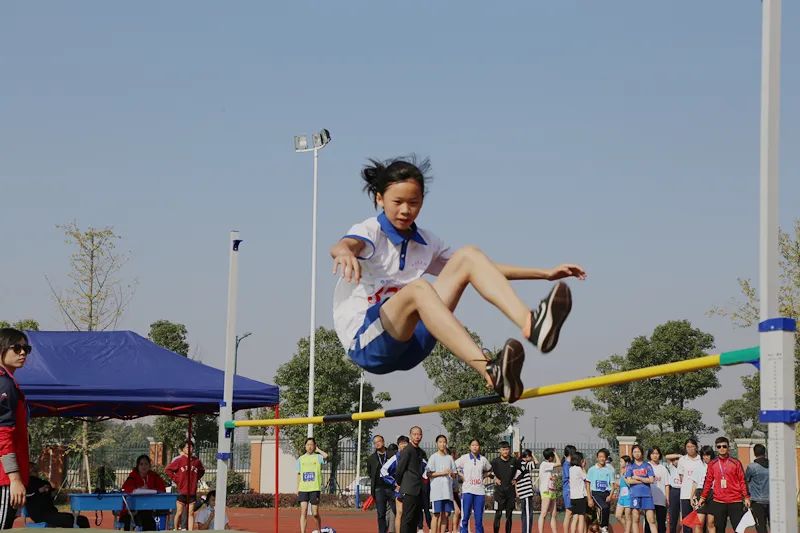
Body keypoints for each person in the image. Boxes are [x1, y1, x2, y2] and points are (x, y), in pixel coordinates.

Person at [331, 156, 585, 403]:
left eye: (414, 202)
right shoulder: (370, 230)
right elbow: (346, 244)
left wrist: (545, 274)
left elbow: (484, 270)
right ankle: (489, 371)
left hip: (413, 345)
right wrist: (343, 252)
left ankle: (532, 324)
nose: (406, 210)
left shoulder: (427, 242)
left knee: (469, 256)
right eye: (397, 202)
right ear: (380, 198)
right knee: (419, 289)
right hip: (368, 342)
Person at [0, 328, 31, 530]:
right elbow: (2, 434)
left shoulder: (9, 382)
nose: (23, 353)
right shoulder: (4, 383)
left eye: (26, 348)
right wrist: (14, 478)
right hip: (3, 477)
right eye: (17, 347)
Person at [697, 437, 750, 532]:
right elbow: (708, 482)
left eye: (724, 446)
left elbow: (742, 480)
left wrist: (746, 497)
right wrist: (702, 497)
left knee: (739, 529)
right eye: (719, 446)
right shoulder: (712, 464)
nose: (722, 448)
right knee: (719, 529)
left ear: (728, 447)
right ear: (716, 448)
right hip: (719, 502)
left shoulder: (736, 463)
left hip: (735, 501)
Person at [25, 463, 89, 528]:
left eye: (35, 468)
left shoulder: (43, 482)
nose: (35, 469)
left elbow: (51, 496)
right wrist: (39, 491)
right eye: (32, 467)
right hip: (40, 515)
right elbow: (26, 495)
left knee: (82, 519)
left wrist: (54, 491)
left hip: (52, 513)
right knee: (70, 521)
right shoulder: (26, 483)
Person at [166, 440, 206, 531]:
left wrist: (196, 478)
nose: (190, 449)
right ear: (183, 449)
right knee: (179, 512)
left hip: (192, 491)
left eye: (191, 447)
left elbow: (202, 471)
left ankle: (190, 531)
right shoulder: (179, 460)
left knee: (191, 513)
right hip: (182, 490)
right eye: (188, 447)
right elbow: (168, 470)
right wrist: (177, 479)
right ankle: (175, 529)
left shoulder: (197, 461)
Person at [120, 454, 167, 531]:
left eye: (146, 464)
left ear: (149, 466)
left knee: (149, 521)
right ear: (137, 466)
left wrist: (150, 490)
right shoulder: (132, 477)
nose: (143, 466)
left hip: (148, 508)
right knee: (128, 521)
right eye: (141, 464)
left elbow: (162, 490)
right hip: (132, 508)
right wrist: (139, 489)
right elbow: (126, 489)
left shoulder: (154, 476)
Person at [456, 439, 492, 533]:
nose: (475, 447)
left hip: (479, 492)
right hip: (467, 491)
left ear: (479, 447)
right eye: (472, 445)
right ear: (469, 447)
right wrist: (461, 475)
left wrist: (485, 475)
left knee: (479, 519)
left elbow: (490, 469)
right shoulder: (464, 458)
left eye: (476, 445)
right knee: (465, 518)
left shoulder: (483, 459)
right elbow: (453, 466)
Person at [394, 426, 425, 533]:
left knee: (415, 519)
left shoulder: (420, 452)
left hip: (418, 490)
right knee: (407, 519)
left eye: (419, 434)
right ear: (410, 435)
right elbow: (399, 470)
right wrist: (399, 483)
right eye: (415, 434)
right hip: (409, 489)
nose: (417, 437)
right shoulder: (407, 451)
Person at [295, 437, 328, 533]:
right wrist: (298, 488)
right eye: (308, 444)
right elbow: (298, 474)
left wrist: (318, 450)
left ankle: (319, 530)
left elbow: (326, 456)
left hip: (314, 488)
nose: (309, 446)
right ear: (305, 446)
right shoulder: (300, 459)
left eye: (311, 444)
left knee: (315, 513)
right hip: (303, 489)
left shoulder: (318, 457)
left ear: (314, 446)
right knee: (303, 511)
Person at [625, 444, 659, 533]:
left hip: (647, 495)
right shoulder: (630, 466)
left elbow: (651, 480)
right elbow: (629, 481)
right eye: (635, 452)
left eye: (638, 451)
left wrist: (638, 478)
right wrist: (644, 480)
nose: (637, 454)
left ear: (642, 453)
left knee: (651, 519)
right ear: (632, 453)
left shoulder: (647, 465)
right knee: (635, 519)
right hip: (635, 495)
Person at [427, 435, 457, 533]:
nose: (442, 444)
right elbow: (429, 474)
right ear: (437, 443)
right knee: (436, 515)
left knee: (445, 515)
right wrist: (442, 473)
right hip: (437, 492)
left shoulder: (449, 458)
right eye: (440, 442)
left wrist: (451, 474)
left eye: (444, 442)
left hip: (447, 492)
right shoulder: (433, 457)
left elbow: (454, 474)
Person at [367, 435, 396, 533]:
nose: (377, 444)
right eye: (375, 443)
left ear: (383, 442)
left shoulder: (392, 455)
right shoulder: (371, 458)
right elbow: (370, 473)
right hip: (379, 489)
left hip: (392, 488)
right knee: (381, 514)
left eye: (379, 441)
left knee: (396, 511)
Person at [490, 441, 520, 533]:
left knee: (509, 515)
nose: (505, 451)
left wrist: (516, 479)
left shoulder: (514, 461)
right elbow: (487, 472)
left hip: (510, 493)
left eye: (507, 449)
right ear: (500, 450)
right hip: (499, 493)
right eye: (503, 449)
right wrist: (494, 478)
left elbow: (523, 470)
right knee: (498, 514)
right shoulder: (495, 462)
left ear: (509, 450)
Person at [382, 437, 410, 533]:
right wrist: (394, 483)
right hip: (400, 490)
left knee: (410, 514)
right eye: (402, 443)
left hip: (412, 489)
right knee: (400, 513)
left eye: (405, 443)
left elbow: (425, 469)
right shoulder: (395, 458)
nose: (404, 445)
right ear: (398, 445)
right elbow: (383, 471)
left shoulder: (414, 456)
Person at [677, 439, 702, 533]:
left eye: (692, 446)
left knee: (700, 521)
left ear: (696, 447)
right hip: (685, 494)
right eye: (688, 447)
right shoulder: (682, 460)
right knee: (687, 522)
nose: (690, 449)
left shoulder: (701, 459)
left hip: (699, 494)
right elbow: (681, 477)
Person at [587, 448, 614, 533]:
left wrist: (610, 496)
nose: (602, 458)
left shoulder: (609, 470)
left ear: (606, 458)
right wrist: (589, 498)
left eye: (604, 457)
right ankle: (603, 527)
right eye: (600, 457)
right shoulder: (592, 469)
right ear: (597, 458)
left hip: (607, 494)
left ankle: (604, 527)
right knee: (603, 508)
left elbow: (613, 485)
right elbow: (587, 484)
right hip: (596, 494)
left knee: (606, 512)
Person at [689, 446, 714, 533]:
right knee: (699, 523)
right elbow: (695, 483)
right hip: (700, 493)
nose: (705, 457)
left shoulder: (716, 465)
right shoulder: (698, 466)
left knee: (711, 523)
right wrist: (691, 497)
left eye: (707, 455)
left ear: (711, 455)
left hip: (713, 494)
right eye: (703, 455)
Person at [744, 443, 769, 533]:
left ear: (754, 453)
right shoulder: (773, 465)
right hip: (772, 501)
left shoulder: (752, 467)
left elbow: (746, 480)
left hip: (757, 501)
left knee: (761, 526)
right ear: (765, 452)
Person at [644, 447, 669, 533]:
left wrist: (667, 498)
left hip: (660, 500)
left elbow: (667, 485)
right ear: (649, 455)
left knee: (661, 522)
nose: (655, 455)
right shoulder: (645, 466)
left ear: (659, 455)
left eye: (657, 453)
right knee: (648, 522)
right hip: (648, 499)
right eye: (653, 453)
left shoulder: (663, 468)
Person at [538, 448, 561, 533]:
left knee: (553, 514)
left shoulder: (548, 465)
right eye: (553, 456)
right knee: (543, 513)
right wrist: (555, 453)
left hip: (552, 490)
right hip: (546, 491)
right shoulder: (544, 464)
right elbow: (559, 463)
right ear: (550, 457)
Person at [514, 449, 536, 533]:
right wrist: (532, 455)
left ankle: (525, 531)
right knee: (528, 514)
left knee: (525, 514)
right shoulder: (524, 464)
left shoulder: (520, 464)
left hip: (523, 492)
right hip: (526, 492)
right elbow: (536, 462)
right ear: (527, 456)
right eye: (529, 456)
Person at [568, 451, 588, 533]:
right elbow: (586, 478)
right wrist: (583, 467)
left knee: (575, 517)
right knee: (581, 518)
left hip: (573, 497)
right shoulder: (579, 469)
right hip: (580, 497)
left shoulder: (570, 469)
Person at [664, 454, 682, 533]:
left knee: (684, 518)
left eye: (677, 460)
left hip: (684, 491)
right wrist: (679, 456)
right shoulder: (671, 467)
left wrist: (681, 460)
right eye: (674, 460)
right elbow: (667, 457)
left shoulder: (684, 466)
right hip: (674, 491)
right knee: (673, 517)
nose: (676, 461)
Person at [561, 445, 577, 533]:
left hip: (573, 491)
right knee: (568, 513)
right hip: (568, 491)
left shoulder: (570, 464)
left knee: (572, 514)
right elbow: (569, 477)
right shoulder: (566, 464)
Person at [615, 456, 633, 533]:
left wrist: (625, 477)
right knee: (618, 516)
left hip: (628, 497)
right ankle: (628, 531)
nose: (620, 463)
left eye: (621, 461)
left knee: (628, 517)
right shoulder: (622, 471)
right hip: (621, 497)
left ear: (627, 463)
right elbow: (621, 484)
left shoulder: (630, 471)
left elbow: (630, 484)